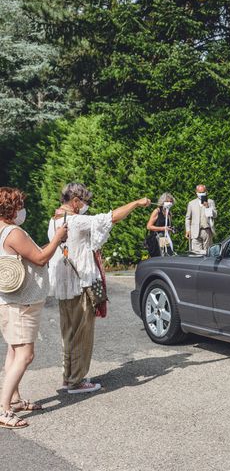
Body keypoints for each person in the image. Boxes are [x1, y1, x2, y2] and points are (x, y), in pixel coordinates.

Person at [48, 183, 150, 394]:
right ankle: (77, 381)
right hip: (80, 284)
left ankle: (68, 376)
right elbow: (111, 217)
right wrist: (136, 203)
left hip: (63, 285)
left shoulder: (54, 220)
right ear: (75, 201)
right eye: (84, 201)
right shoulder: (77, 221)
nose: (86, 205)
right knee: (82, 333)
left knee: (68, 332)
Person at [0, 188, 68, 428]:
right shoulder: (13, 231)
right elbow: (40, 258)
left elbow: (31, 254)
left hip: (11, 300)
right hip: (22, 302)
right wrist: (58, 238)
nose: (22, 210)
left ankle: (14, 400)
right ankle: (4, 408)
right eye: (19, 205)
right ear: (11, 208)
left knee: (13, 351)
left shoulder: (2, 230)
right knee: (26, 355)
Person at [185, 184, 217, 254]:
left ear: (206, 192)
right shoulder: (191, 203)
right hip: (195, 231)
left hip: (207, 230)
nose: (201, 194)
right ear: (196, 192)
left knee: (208, 252)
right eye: (199, 192)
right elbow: (188, 218)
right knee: (196, 253)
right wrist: (188, 230)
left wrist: (208, 207)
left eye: (203, 192)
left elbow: (215, 215)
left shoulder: (210, 202)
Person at [145, 193, 175, 257]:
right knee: (159, 256)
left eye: (170, 201)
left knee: (168, 255)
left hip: (165, 239)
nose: (169, 203)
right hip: (156, 238)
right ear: (162, 202)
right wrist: (163, 228)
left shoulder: (169, 213)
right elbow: (148, 226)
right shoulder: (157, 211)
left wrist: (171, 229)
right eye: (167, 201)